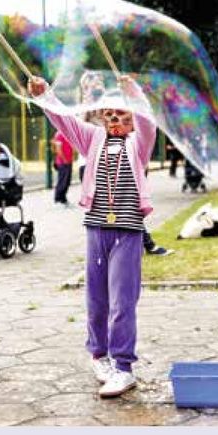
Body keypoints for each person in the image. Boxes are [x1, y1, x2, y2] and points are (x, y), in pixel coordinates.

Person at [27, 74, 157, 397]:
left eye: (122, 115)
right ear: (101, 116)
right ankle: (99, 356)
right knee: (96, 299)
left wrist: (134, 95)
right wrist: (46, 95)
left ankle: (123, 367)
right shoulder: (93, 139)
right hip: (96, 229)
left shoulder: (139, 144)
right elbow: (65, 121)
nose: (115, 119)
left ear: (131, 120)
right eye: (109, 113)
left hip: (127, 232)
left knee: (122, 301)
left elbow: (148, 124)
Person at [52, 130, 74, 206]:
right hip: (63, 162)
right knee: (62, 181)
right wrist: (65, 160)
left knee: (67, 181)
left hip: (68, 161)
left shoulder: (68, 133)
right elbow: (58, 149)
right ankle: (58, 199)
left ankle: (63, 199)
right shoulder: (59, 134)